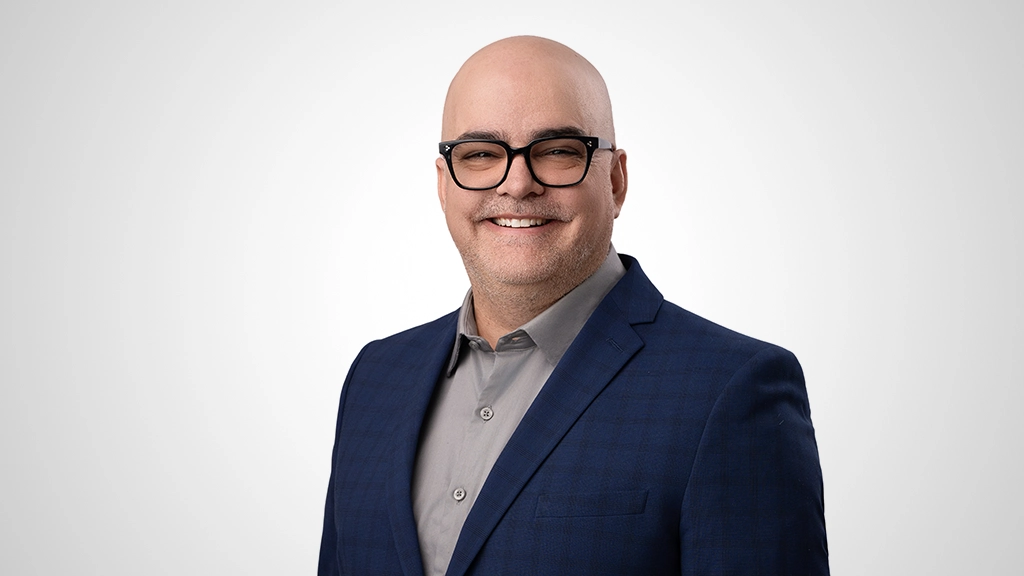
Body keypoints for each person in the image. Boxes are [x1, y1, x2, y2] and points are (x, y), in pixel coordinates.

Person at [318, 35, 828, 576]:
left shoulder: (730, 388)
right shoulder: (375, 378)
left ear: (616, 180)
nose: (517, 185)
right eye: (481, 154)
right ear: (444, 186)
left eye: (558, 151)